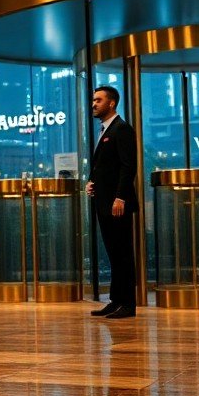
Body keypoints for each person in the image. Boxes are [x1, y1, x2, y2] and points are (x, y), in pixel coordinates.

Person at [86, 85, 139, 319]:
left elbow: (129, 167)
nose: (94, 104)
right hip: (105, 202)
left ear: (112, 103)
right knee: (114, 253)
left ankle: (128, 305)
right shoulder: (106, 130)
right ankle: (116, 301)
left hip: (117, 204)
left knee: (123, 253)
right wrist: (91, 181)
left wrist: (120, 197)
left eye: (98, 100)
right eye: (93, 100)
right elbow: (105, 166)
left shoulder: (122, 129)